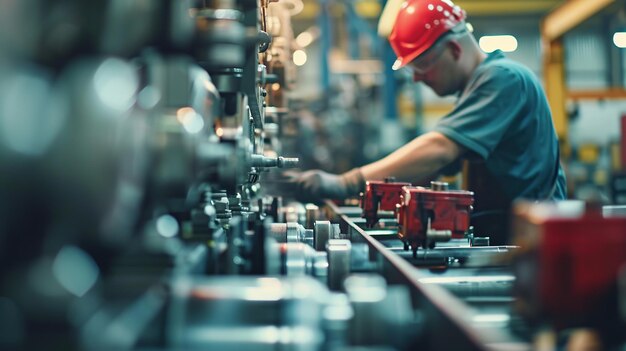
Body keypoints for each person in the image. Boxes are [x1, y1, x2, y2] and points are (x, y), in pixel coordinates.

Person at [289, 0, 567, 244]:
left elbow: (440, 148)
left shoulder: (504, 78)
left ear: (454, 49)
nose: (418, 78)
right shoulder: (477, 89)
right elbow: (434, 166)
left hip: (535, 240)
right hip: (509, 233)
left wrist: (347, 182)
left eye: (421, 67)